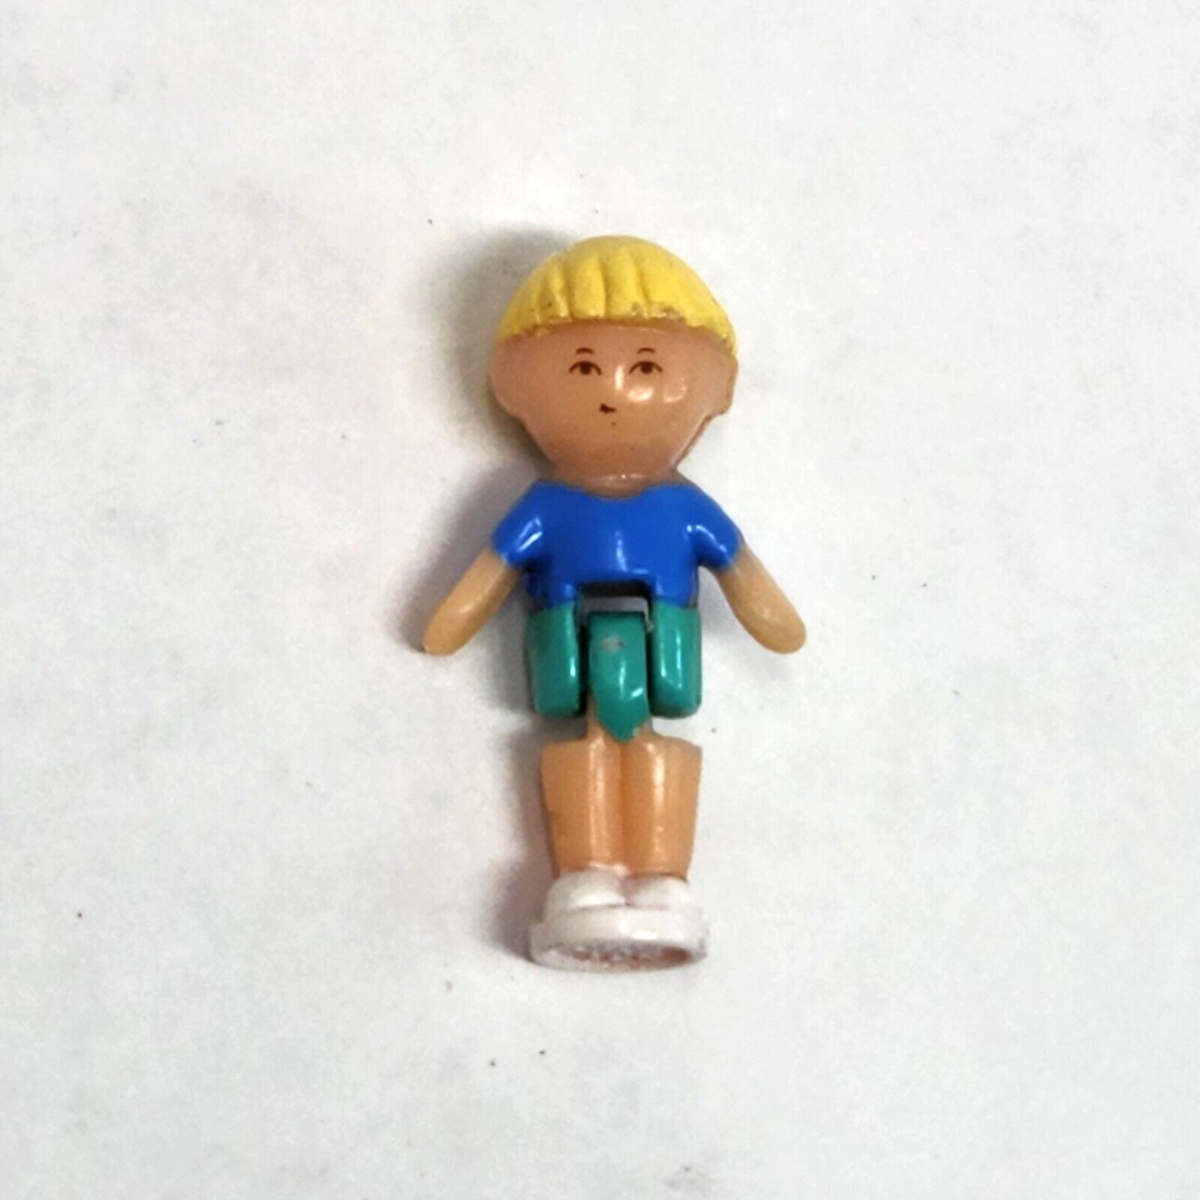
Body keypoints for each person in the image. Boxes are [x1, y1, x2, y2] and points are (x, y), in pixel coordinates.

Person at [423, 236, 804, 969]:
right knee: (587, 750)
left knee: (652, 747)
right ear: (512, 383)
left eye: (648, 368)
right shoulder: (546, 508)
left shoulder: (686, 511)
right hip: (563, 639)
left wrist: (773, 617)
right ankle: (584, 875)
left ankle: (664, 881)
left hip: (667, 642)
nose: (613, 392)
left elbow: (751, 585)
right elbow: (488, 575)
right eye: (583, 368)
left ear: (718, 388)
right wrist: (452, 618)